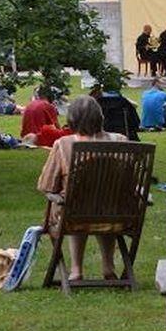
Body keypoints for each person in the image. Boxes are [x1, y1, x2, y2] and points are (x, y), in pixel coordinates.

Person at [36, 96, 128, 281]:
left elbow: (46, 185)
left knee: (74, 205)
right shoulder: (120, 140)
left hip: (73, 217)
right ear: (99, 117)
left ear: (72, 119)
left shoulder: (63, 145)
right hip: (115, 216)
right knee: (102, 204)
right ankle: (108, 267)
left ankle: (76, 270)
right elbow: (130, 182)